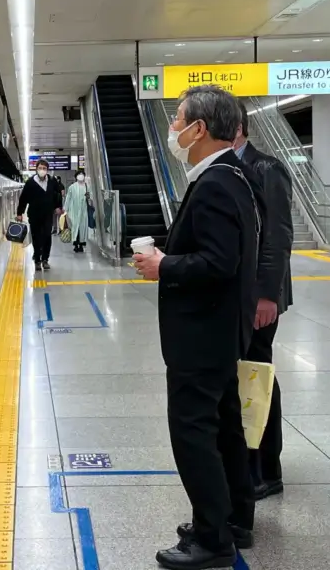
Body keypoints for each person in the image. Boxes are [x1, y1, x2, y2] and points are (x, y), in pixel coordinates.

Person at [134, 85, 264, 570]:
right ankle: (234, 519)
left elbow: (217, 262)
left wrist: (163, 265)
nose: (173, 129)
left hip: (201, 332)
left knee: (193, 431)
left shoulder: (214, 182)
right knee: (226, 426)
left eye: (178, 120)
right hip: (222, 329)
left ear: (199, 129)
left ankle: (211, 537)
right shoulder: (236, 175)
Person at [233, 100, 293, 500]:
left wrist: (267, 295)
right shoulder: (230, 168)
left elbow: (277, 235)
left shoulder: (266, 168)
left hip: (259, 297)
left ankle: (266, 469)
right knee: (248, 376)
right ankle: (248, 460)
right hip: (239, 295)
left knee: (258, 375)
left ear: (235, 126)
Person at [16, 159, 62, 270]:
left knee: (47, 236)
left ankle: (45, 259)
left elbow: (58, 194)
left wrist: (58, 206)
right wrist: (19, 213)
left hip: (47, 214)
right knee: (36, 238)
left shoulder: (52, 181)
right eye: (40, 168)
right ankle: (37, 260)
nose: (42, 170)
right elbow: (23, 199)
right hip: (34, 215)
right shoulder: (30, 183)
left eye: (44, 168)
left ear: (47, 170)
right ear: (36, 169)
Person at [63, 169, 90, 252]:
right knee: (75, 228)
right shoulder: (72, 187)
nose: (81, 175)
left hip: (83, 211)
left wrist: (88, 197)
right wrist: (65, 209)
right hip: (74, 210)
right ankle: (75, 244)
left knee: (82, 228)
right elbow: (68, 198)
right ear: (76, 177)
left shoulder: (86, 186)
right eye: (79, 174)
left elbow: (90, 198)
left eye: (82, 174)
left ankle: (81, 245)